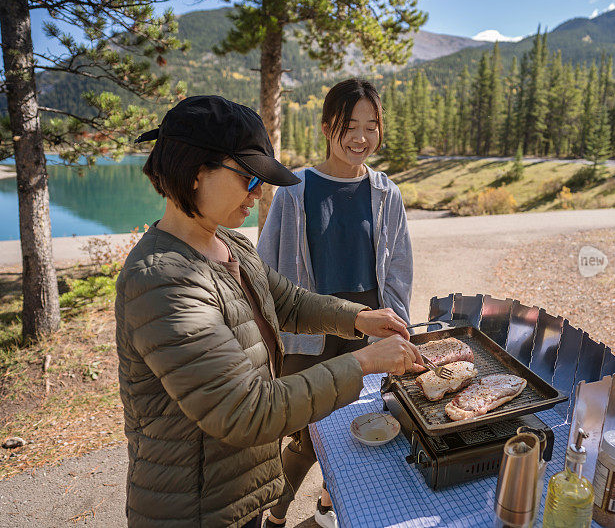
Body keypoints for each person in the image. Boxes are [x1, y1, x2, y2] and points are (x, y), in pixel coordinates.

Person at [116, 95, 422, 528]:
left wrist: (358, 318)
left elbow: (288, 301)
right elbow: (248, 411)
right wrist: (365, 360)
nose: (259, 191)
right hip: (196, 508)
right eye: (248, 177)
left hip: (236, 492)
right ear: (197, 170)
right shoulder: (164, 280)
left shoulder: (230, 244)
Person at [257, 78, 412, 528]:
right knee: (309, 436)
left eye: (371, 126)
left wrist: (399, 325)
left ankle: (328, 507)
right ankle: (275, 513)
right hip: (310, 331)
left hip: (371, 328)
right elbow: (268, 268)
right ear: (327, 127)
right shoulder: (295, 191)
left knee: (364, 429)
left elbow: (398, 268)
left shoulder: (386, 193)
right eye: (350, 126)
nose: (362, 138)